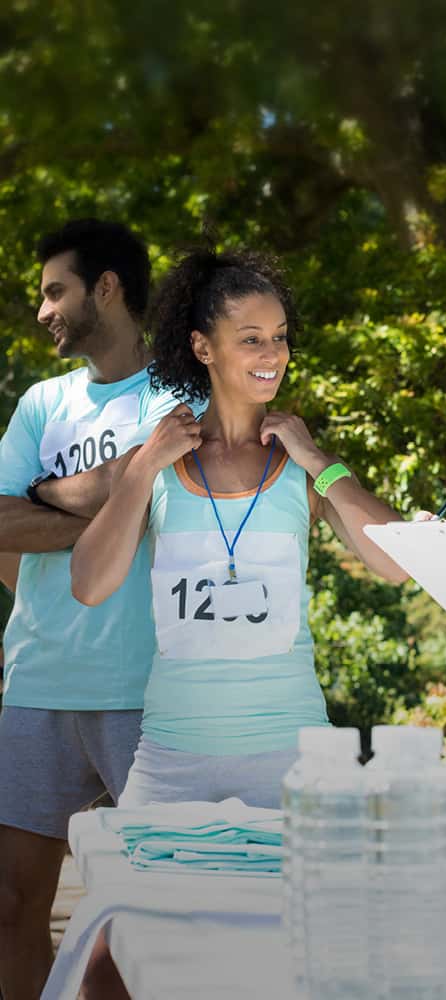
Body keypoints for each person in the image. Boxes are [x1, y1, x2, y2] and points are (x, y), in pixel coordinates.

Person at [71, 247, 408, 808]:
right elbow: (89, 585)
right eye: (251, 338)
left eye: (279, 337)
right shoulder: (156, 462)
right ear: (203, 346)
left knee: (298, 899)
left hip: (294, 758)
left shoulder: (302, 467)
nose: (271, 353)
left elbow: (396, 565)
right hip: (170, 759)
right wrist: (141, 470)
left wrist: (320, 461)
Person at [0, 218, 191, 999]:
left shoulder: (180, 396)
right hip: (36, 682)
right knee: (11, 908)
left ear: (105, 289)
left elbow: (160, 509)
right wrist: (110, 490)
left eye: (56, 290)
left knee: (140, 921)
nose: (44, 309)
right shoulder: (43, 403)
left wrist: (55, 498)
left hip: (145, 691)